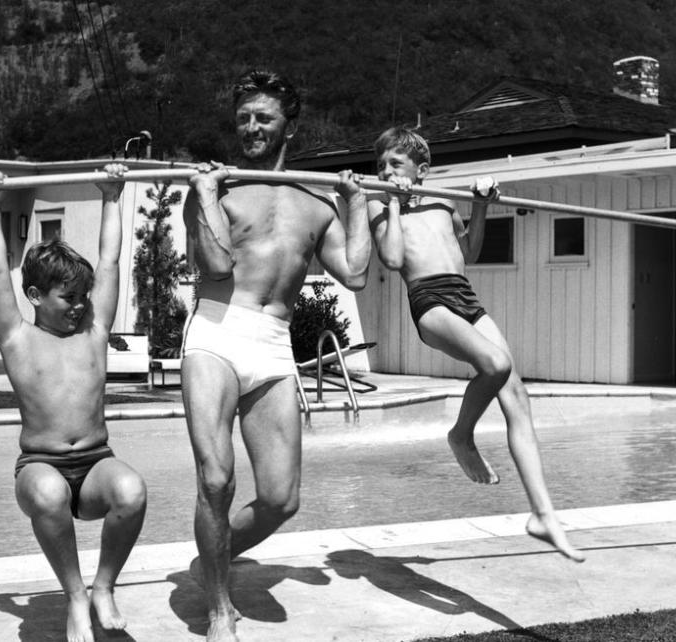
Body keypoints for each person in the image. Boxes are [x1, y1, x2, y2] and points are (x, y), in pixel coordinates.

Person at [182, 69, 371, 642]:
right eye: (242, 118)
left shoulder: (317, 203)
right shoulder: (223, 186)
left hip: (271, 341)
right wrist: (203, 197)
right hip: (216, 330)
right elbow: (213, 266)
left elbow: (356, 273)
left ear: (289, 122)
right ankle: (219, 608)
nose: (251, 127)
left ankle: (209, 559)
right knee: (216, 481)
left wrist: (356, 202)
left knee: (281, 499)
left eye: (263, 117)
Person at [368, 126, 585, 563]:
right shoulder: (379, 203)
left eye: (396, 164)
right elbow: (392, 260)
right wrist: (393, 197)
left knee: (516, 393)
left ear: (421, 169)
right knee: (494, 362)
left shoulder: (444, 200)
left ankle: (543, 514)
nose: (386, 171)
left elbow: (471, 252)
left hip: (464, 294)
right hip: (429, 301)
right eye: (382, 166)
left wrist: (481, 207)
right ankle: (461, 434)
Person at [0, 165, 148, 642]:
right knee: (51, 495)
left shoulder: (94, 333)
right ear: (33, 296)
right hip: (40, 466)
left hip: (95, 463)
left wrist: (112, 196)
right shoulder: (17, 338)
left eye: (82, 296)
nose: (78, 305)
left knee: (132, 491)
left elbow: (111, 263)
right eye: (66, 297)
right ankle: (75, 596)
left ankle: (102, 587)